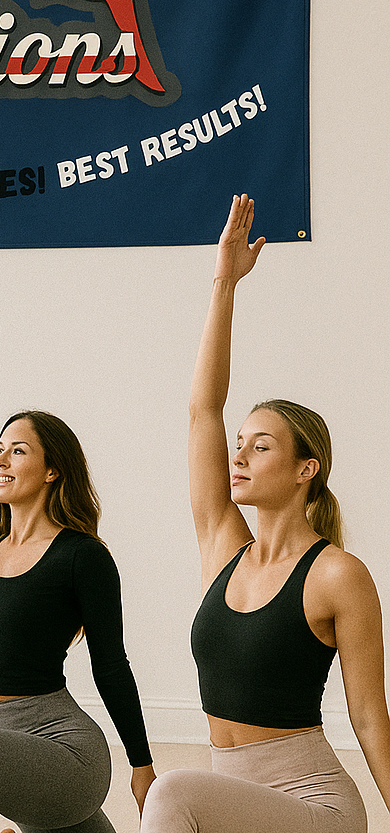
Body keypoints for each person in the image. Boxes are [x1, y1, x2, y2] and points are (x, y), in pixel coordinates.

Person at [140, 194, 390, 831]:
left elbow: (368, 717)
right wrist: (223, 284)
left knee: (169, 795)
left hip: (314, 805)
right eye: (240, 443)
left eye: (263, 444)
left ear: (307, 470)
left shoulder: (337, 575)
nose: (240, 454)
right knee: (178, 797)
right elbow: (203, 412)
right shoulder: (224, 545)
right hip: (236, 799)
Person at [0, 272, 155, 833]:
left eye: (18, 450)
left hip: (65, 752)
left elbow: (110, 663)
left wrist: (142, 763)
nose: (0, 460)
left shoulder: (82, 557)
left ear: (51, 469)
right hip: (9, 748)